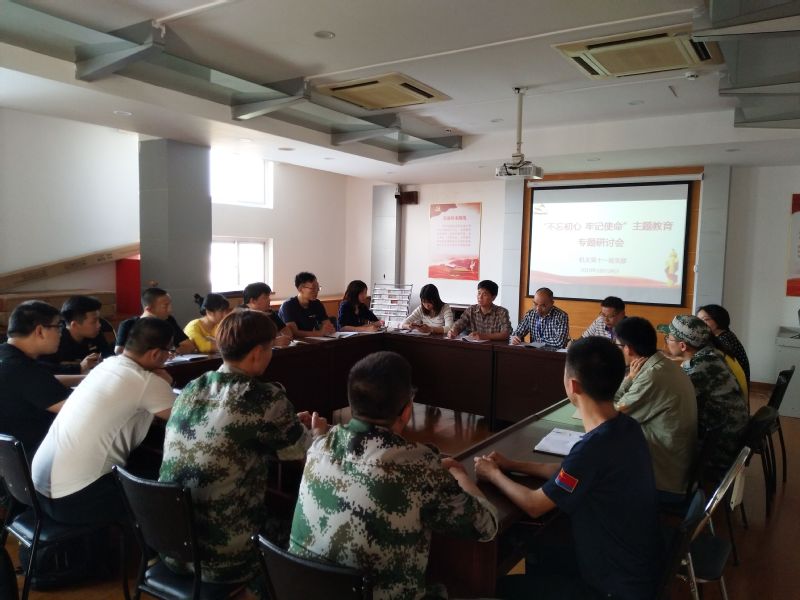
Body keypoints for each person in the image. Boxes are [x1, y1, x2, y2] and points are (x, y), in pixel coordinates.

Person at [290, 351, 497, 600]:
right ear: (407, 410)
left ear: (351, 403)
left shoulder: (318, 446)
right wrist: (458, 474)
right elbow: (485, 525)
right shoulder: (419, 466)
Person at [474, 337, 662, 600]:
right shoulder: (626, 427)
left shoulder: (593, 449)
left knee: (498, 587)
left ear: (573, 385)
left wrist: (492, 473)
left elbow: (534, 505)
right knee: (537, 547)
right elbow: (570, 471)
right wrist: (512, 464)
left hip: (609, 587)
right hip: (635, 568)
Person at [159, 310, 327, 591]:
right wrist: (318, 433)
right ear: (257, 353)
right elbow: (307, 455)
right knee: (310, 529)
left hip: (173, 547)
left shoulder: (193, 387)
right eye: (270, 348)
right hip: (226, 558)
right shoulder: (265, 398)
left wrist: (285, 423)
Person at [32, 318, 176, 526]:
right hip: (75, 499)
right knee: (172, 486)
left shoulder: (106, 365)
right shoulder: (147, 381)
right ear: (155, 354)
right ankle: (152, 546)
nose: (170, 356)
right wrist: (168, 383)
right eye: (169, 351)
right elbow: (187, 420)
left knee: (144, 462)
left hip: (40, 491)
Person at [613, 317, 698, 502]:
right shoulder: (662, 365)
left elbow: (611, 415)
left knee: (599, 470)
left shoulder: (653, 376)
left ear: (628, 348)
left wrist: (627, 380)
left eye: (617, 345)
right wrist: (631, 379)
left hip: (665, 480)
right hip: (675, 466)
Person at [660, 315, 749, 479]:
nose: (666, 341)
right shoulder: (710, 354)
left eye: (668, 338)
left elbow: (670, 403)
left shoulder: (697, 370)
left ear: (682, 346)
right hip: (731, 437)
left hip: (717, 449)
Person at [0, 301, 71, 456]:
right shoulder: (22, 369)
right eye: (58, 327)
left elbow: (44, 382)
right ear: (40, 331)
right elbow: (79, 408)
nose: (61, 333)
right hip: (33, 457)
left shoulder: (7, 355)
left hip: (7, 459)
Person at [39, 295, 114, 374]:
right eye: (94, 322)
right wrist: (79, 367)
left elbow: (109, 357)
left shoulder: (95, 334)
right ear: (74, 325)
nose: (99, 325)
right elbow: (43, 369)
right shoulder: (55, 338)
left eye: (99, 320)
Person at [115, 287, 197, 355]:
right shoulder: (128, 324)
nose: (170, 310)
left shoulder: (168, 320)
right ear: (149, 309)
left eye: (170, 304)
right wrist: (158, 355)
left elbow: (189, 346)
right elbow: (119, 351)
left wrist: (174, 352)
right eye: (165, 306)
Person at [697, 304, 750, 382]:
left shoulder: (725, 340)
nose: (700, 323)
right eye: (698, 320)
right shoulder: (725, 335)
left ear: (719, 320)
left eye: (706, 319)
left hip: (735, 385)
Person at [446, 280, 511, 341]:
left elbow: (505, 334)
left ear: (493, 297)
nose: (480, 297)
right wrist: (453, 331)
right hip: (474, 346)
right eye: (479, 293)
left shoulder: (502, 312)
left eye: (484, 294)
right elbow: (459, 324)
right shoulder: (471, 310)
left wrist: (484, 336)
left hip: (493, 347)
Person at [278, 272, 335, 338]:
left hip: (309, 340)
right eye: (313, 288)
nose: (317, 291)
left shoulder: (317, 303)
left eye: (318, 288)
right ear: (300, 289)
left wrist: (329, 329)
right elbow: (294, 332)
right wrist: (319, 333)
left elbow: (327, 324)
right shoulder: (288, 306)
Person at [241, 282, 293, 346]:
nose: (269, 299)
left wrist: (286, 338)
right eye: (265, 297)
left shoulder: (268, 312)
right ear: (253, 301)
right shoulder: (240, 316)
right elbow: (247, 343)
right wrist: (273, 342)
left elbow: (285, 330)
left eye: (268, 296)